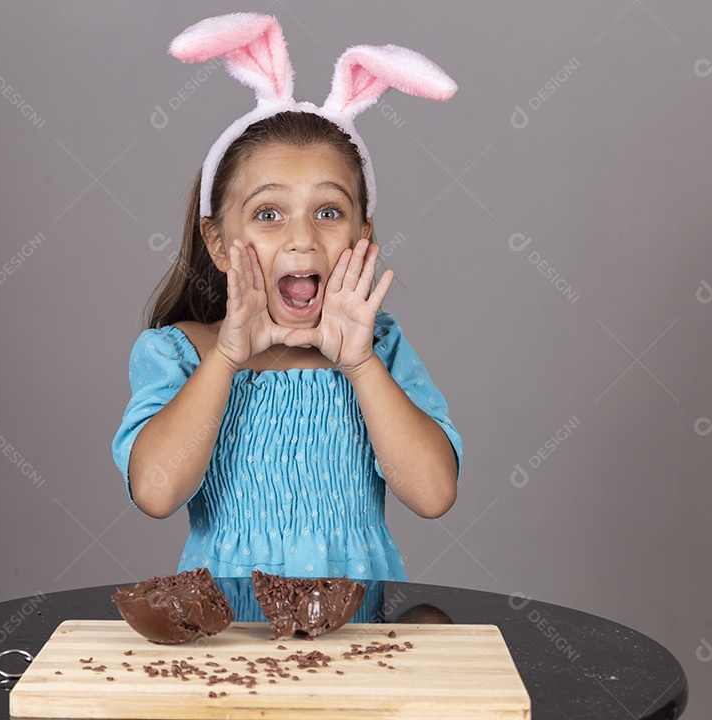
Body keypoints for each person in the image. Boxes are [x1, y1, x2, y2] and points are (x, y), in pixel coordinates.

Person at [112, 12, 463, 586]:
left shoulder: (379, 348)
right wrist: (226, 357)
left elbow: (432, 495)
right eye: (268, 214)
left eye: (329, 212)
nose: (302, 238)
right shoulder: (178, 354)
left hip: (359, 640)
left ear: (361, 236)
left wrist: (361, 364)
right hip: (226, 646)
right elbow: (155, 492)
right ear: (219, 242)